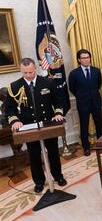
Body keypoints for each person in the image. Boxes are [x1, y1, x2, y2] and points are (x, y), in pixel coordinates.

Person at [5, 58, 67, 192]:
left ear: (35, 69)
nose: (28, 75)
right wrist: (15, 121)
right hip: (29, 126)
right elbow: (9, 109)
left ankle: (58, 176)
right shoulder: (15, 87)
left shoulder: (48, 82)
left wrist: (57, 113)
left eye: (31, 72)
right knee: (34, 155)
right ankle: (39, 181)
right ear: (21, 71)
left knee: (53, 152)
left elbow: (58, 102)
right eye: (25, 73)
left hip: (48, 124)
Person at [68, 49, 102, 156]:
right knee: (84, 126)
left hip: (96, 102)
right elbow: (72, 88)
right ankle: (86, 147)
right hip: (83, 103)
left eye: (88, 57)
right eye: (83, 58)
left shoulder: (96, 71)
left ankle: (101, 145)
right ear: (79, 60)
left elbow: (98, 85)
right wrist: (82, 96)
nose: (86, 59)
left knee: (99, 125)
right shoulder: (74, 73)